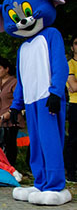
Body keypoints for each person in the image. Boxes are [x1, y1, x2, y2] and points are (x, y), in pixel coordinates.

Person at [66, 34, 77, 182]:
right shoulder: (70, 64)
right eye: (76, 43)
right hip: (75, 104)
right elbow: (73, 87)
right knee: (74, 139)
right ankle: (71, 171)